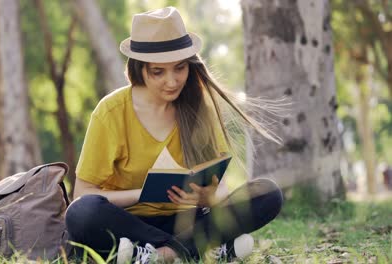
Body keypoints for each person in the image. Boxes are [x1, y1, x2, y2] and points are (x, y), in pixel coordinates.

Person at [65, 6, 283, 263]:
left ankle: (155, 255)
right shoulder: (111, 112)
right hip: (130, 223)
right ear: (140, 68)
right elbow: (82, 194)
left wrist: (209, 197)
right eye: (159, 71)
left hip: (189, 221)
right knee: (82, 213)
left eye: (180, 68)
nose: (172, 81)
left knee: (267, 194)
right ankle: (201, 250)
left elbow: (219, 188)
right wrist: (142, 194)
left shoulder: (198, 108)